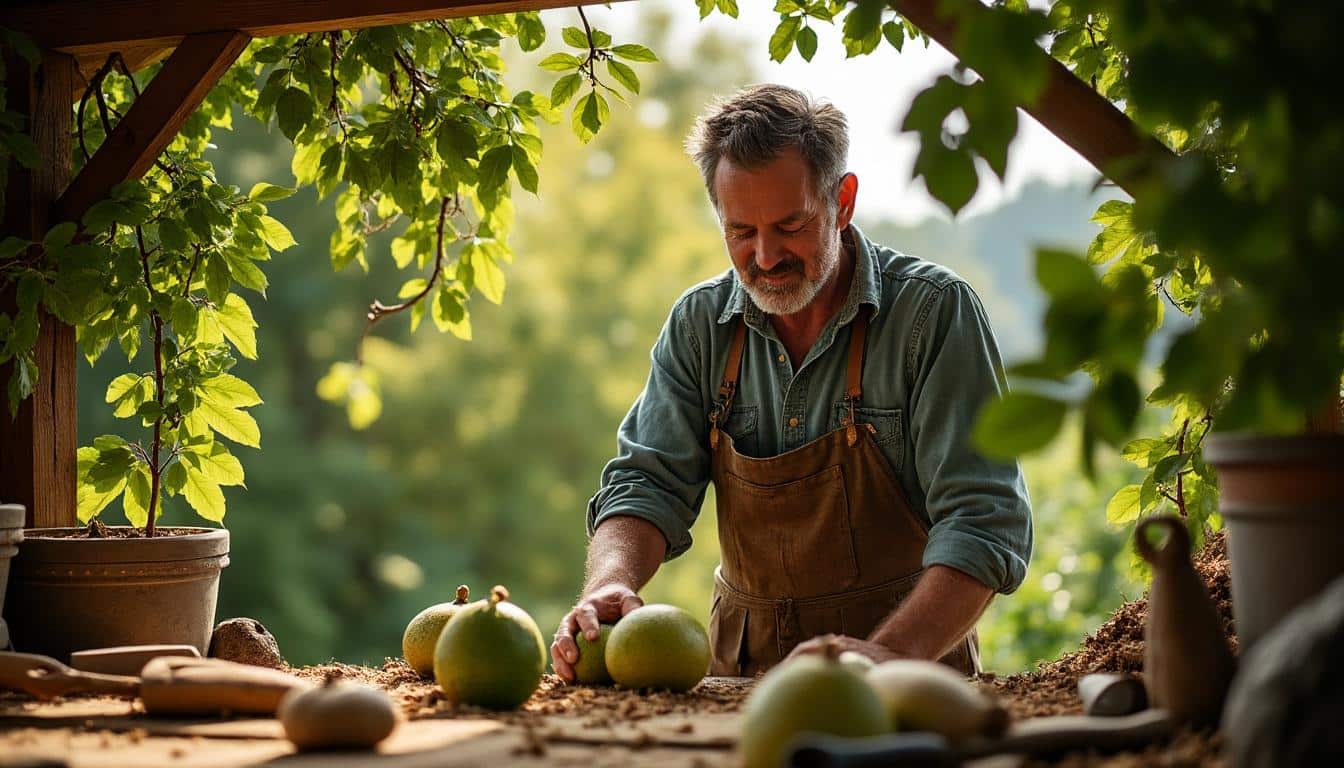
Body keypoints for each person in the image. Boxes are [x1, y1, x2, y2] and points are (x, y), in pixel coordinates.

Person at [551, 84, 1032, 680]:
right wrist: (610, 581)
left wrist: (890, 656)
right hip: (738, 682)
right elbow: (648, 482)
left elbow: (983, 519)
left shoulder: (932, 315)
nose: (766, 256)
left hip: (907, 677)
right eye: (741, 231)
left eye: (790, 225)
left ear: (842, 202)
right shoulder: (700, 326)